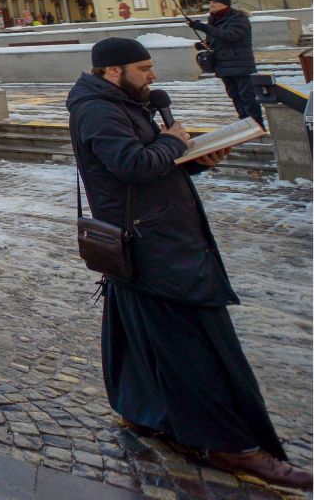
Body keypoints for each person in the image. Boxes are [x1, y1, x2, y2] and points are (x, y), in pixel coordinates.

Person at [69, 37, 309, 489]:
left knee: (146, 333)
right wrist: (169, 140)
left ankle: (146, 412)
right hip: (153, 244)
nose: (152, 76)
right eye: (143, 68)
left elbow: (147, 165)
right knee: (202, 345)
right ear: (112, 72)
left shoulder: (122, 101)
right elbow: (132, 163)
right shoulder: (98, 110)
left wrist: (193, 158)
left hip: (152, 235)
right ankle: (234, 446)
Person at [187, 0, 264, 128]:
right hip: (223, 65)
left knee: (247, 97)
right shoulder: (214, 19)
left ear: (225, 4)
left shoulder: (238, 18)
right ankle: (245, 125)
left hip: (240, 64)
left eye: (215, 2)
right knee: (235, 96)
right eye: (210, 2)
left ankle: (257, 126)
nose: (211, 5)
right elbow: (216, 38)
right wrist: (204, 44)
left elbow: (230, 36)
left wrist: (202, 27)